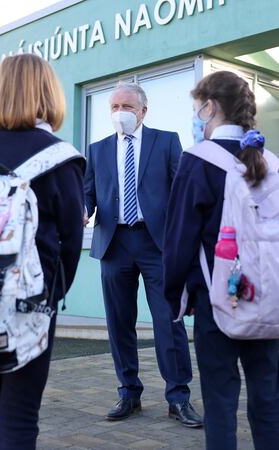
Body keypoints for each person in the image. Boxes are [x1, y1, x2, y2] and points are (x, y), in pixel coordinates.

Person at [0, 54, 85, 450]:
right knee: (20, 415)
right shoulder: (61, 156)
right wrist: (52, 296)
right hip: (31, 299)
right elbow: (71, 242)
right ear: (49, 93)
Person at [163, 70, 279, 449]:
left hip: (217, 298)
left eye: (197, 107)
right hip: (265, 293)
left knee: (220, 399)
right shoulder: (268, 160)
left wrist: (176, 296)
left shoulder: (197, 159)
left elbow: (180, 237)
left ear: (211, 106)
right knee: (268, 395)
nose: (196, 114)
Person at [83, 82, 201, 427]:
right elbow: (88, 192)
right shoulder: (98, 148)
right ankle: (128, 392)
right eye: (114, 107)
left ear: (143, 111)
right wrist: (81, 208)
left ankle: (178, 397)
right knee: (119, 323)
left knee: (169, 321)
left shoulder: (166, 141)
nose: (120, 113)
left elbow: (181, 189)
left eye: (127, 107)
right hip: (114, 243)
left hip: (157, 245)